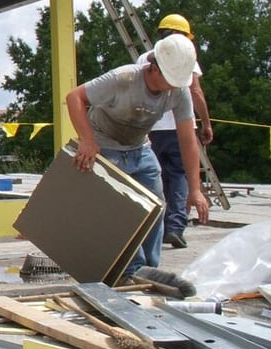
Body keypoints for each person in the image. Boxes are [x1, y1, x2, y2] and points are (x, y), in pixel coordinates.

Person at [66, 34, 210, 279]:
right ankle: (130, 270)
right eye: (171, 79)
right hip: (105, 146)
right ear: (155, 68)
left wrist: (195, 190)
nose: (174, 86)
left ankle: (149, 269)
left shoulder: (179, 91)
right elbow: (74, 97)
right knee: (122, 210)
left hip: (139, 148)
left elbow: (187, 140)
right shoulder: (123, 78)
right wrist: (87, 140)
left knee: (155, 206)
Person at [137, 14, 213, 249]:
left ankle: (154, 229)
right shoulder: (186, 55)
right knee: (179, 175)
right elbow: (195, 91)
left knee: (153, 178)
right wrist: (206, 123)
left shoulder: (144, 58)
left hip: (150, 128)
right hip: (179, 127)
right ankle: (175, 227)